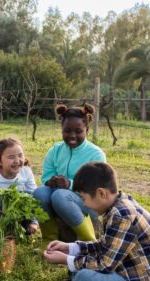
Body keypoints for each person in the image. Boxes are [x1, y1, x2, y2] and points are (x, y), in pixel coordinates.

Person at [44, 162, 150, 281]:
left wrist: (66, 260)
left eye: (84, 199)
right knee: (79, 267)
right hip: (134, 271)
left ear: (101, 193)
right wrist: (71, 248)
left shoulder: (121, 216)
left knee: (82, 278)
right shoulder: (119, 206)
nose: (85, 204)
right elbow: (106, 246)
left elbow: (104, 264)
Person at [33, 103, 106, 241]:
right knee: (39, 193)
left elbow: (95, 188)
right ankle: (49, 239)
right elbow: (46, 176)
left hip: (89, 203)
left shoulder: (95, 154)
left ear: (87, 130)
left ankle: (88, 240)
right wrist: (51, 180)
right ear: (62, 129)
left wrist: (70, 184)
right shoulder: (56, 150)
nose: (72, 135)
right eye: (67, 130)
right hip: (61, 196)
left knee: (60, 196)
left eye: (78, 131)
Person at [0, 138, 38, 234]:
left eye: (20, 155)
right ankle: (0, 231)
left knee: (28, 197)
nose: (17, 160)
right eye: (11, 157)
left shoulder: (26, 172)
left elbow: (34, 196)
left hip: (19, 212)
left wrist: (34, 221)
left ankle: (24, 227)